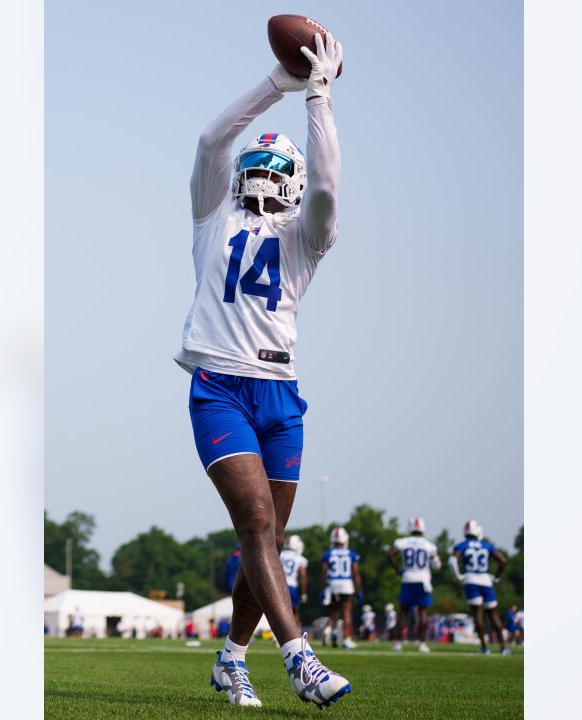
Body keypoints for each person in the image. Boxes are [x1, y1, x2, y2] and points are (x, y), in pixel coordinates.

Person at [176, 30, 350, 709]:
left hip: (280, 392)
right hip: (219, 384)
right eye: (257, 167)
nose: (262, 179)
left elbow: (330, 187)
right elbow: (211, 142)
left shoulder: (306, 239)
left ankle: (232, 657)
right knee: (254, 520)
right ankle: (300, 658)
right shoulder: (212, 217)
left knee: (269, 539)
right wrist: (275, 85)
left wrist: (320, 97)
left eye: (278, 172)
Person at [450, 519, 510, 655]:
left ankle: (484, 646)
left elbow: (452, 560)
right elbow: (503, 560)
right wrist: (496, 576)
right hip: (485, 579)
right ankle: (504, 646)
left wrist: (458, 576)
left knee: (478, 614)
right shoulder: (486, 545)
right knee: (493, 614)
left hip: (471, 579)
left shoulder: (462, 545)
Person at [387, 516, 441, 653]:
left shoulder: (402, 542)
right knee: (423, 611)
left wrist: (398, 569)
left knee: (403, 611)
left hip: (408, 577)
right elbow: (437, 566)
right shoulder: (430, 545)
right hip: (423, 579)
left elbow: (390, 555)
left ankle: (398, 643)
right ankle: (422, 643)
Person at [321, 527, 362, 649]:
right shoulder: (351, 554)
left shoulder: (328, 554)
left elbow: (323, 573)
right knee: (346, 613)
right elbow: (356, 573)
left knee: (334, 612)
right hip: (346, 584)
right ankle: (346, 639)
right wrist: (359, 590)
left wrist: (323, 590)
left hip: (333, 584)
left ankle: (333, 633)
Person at [280, 534, 309, 626]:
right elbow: (303, 576)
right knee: (294, 611)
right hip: (291, 586)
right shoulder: (300, 559)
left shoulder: (279, 555)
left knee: (278, 611)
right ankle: (296, 635)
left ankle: (276, 635)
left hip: (278, 586)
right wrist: (304, 593)